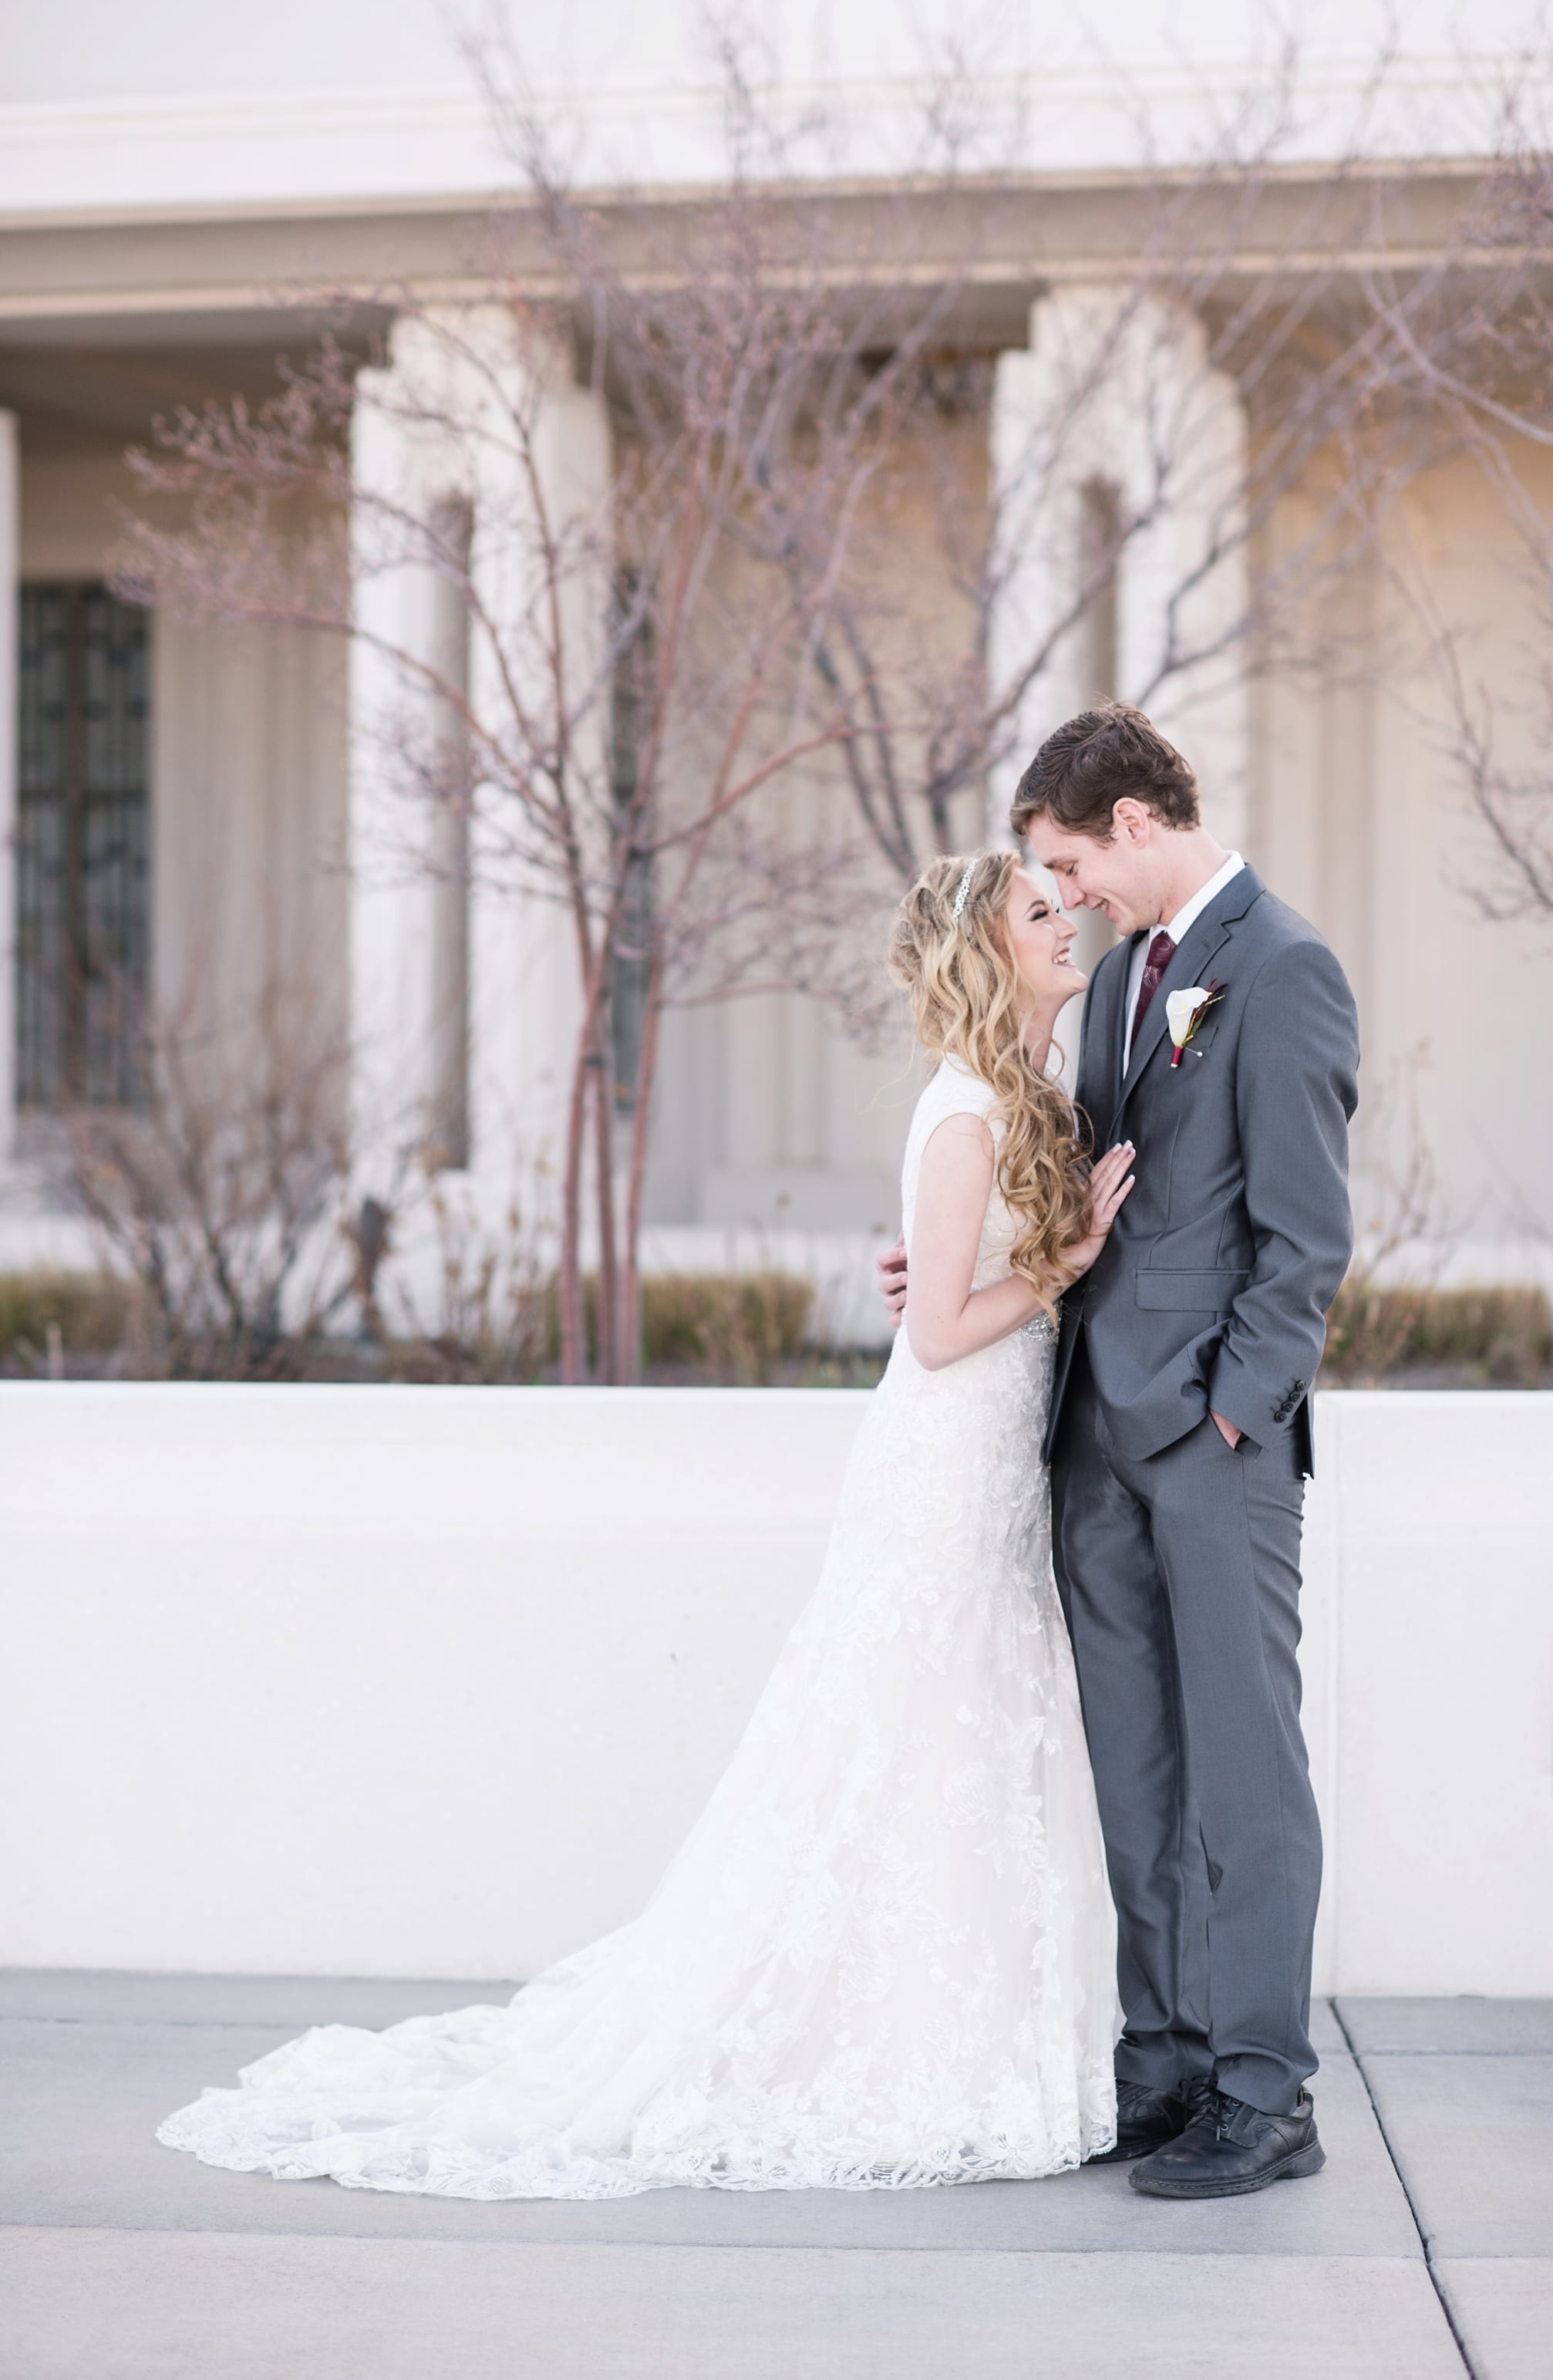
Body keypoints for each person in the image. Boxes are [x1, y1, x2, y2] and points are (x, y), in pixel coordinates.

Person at [157, 850, 1136, 2199]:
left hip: (997, 1467)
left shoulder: (1030, 1093)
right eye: (1042, 911)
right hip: (942, 1464)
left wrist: (1029, 1262)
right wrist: (1060, 1266)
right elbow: (936, 1327)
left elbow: (948, 1269)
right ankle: (884, 2044)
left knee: (970, 1727)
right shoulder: (967, 1110)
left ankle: (976, 2032)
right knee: (900, 1730)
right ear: (993, 953)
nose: (1068, 919)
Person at [881, 703, 1357, 2200]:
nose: (1068, 891)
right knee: (1140, 1776)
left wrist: (1234, 1412)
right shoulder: (1127, 984)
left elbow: (1306, 1238)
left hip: (1212, 1447)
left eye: (1071, 861)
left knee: (1243, 1775)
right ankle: (1164, 2064)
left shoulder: (1282, 971)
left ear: (1137, 825)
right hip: (1088, 1441)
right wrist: (945, 1271)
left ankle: (1266, 2089)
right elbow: (1083, 1189)